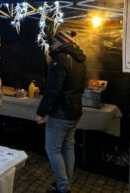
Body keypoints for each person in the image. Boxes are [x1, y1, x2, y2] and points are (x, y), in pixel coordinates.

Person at [36, 30, 86, 193]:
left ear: (60, 42)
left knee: (53, 149)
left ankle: (63, 188)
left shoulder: (60, 59)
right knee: (68, 147)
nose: (51, 45)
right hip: (75, 111)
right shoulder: (79, 60)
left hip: (61, 113)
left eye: (53, 42)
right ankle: (66, 183)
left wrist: (42, 112)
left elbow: (53, 90)